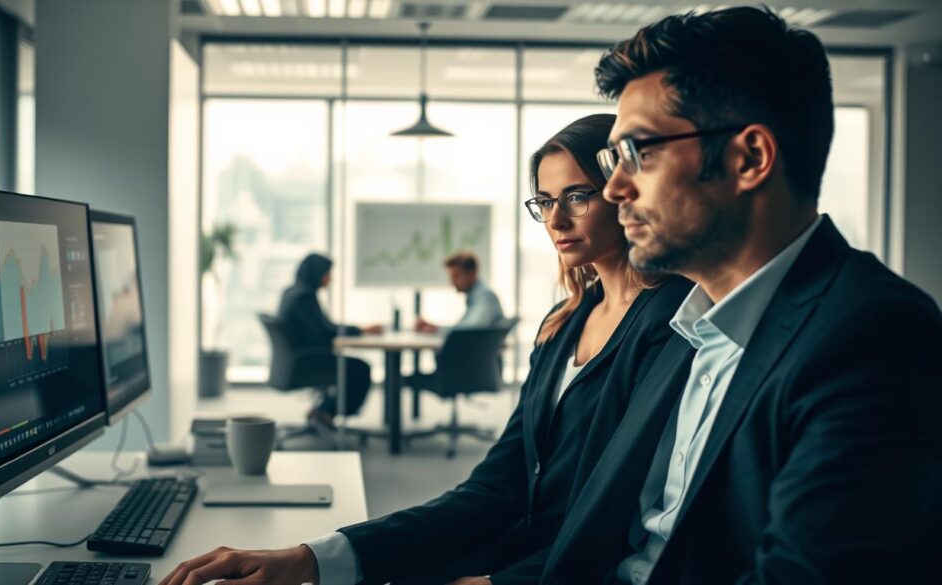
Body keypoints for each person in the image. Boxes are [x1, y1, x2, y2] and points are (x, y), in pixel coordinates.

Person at [158, 115, 693, 585]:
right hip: (513, 550)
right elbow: (497, 488)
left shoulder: (672, 323)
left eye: (577, 196)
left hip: (556, 570)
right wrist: (312, 558)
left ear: (625, 190)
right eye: (546, 202)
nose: (555, 221)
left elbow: (620, 520)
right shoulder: (563, 325)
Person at [534, 7, 942, 584]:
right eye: (612, 160)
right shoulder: (687, 326)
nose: (616, 188)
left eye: (637, 155)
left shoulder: (874, 335)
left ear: (749, 158)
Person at [277, 253, 382, 425]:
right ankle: (328, 411)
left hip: (296, 360)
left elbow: (322, 328)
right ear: (317, 273)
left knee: (354, 367)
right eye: (328, 273)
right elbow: (326, 331)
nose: (330, 278)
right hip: (308, 361)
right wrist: (361, 330)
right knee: (360, 369)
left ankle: (323, 410)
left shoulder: (293, 292)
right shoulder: (303, 297)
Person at [415, 252, 503, 333]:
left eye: (456, 276)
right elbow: (463, 327)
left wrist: (436, 329)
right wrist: (434, 327)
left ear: (472, 274)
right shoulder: (475, 297)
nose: (452, 282)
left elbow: (470, 330)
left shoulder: (485, 297)